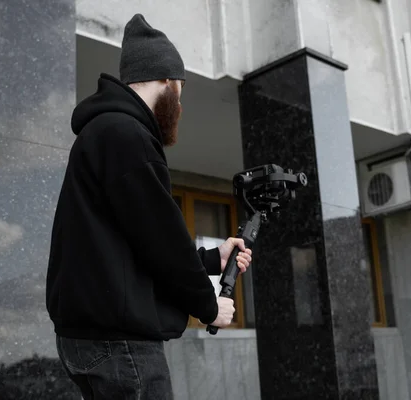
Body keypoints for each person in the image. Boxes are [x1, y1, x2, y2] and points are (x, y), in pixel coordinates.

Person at [45, 13, 252, 400]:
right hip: (120, 345)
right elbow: (163, 242)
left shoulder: (100, 133)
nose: (182, 103)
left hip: (84, 338)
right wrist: (208, 307)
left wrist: (211, 260)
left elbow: (132, 242)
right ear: (166, 81)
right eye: (181, 89)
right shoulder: (129, 136)